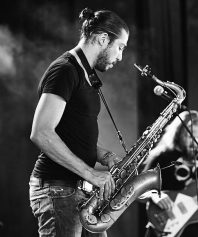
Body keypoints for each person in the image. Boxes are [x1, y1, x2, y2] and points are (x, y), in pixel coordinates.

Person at [29, 8, 129, 237]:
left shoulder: (84, 73)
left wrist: (103, 156)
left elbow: (68, 136)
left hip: (76, 190)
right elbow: (41, 132)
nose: (120, 56)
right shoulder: (65, 70)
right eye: (120, 47)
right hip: (57, 190)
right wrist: (91, 173)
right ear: (104, 39)